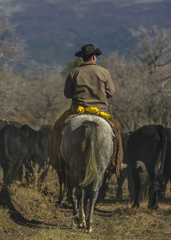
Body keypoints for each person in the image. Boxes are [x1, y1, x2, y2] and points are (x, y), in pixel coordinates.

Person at [48, 44, 123, 200]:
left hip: (77, 111)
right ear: (94, 57)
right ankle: (116, 162)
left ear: (83, 57)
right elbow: (111, 92)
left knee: (57, 128)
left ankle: (55, 159)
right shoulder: (104, 72)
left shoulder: (74, 72)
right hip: (101, 112)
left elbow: (67, 94)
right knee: (116, 133)